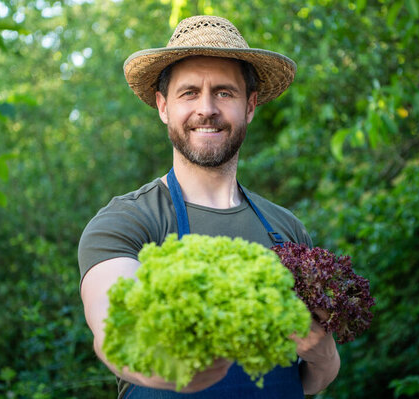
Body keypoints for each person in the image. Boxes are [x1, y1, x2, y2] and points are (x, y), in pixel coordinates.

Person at [78, 15, 340, 399]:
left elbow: (312, 382)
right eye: (188, 93)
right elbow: (114, 331)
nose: (207, 108)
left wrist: (325, 355)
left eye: (223, 92)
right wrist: (175, 367)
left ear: (249, 106)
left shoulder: (287, 230)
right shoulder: (126, 223)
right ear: (163, 106)